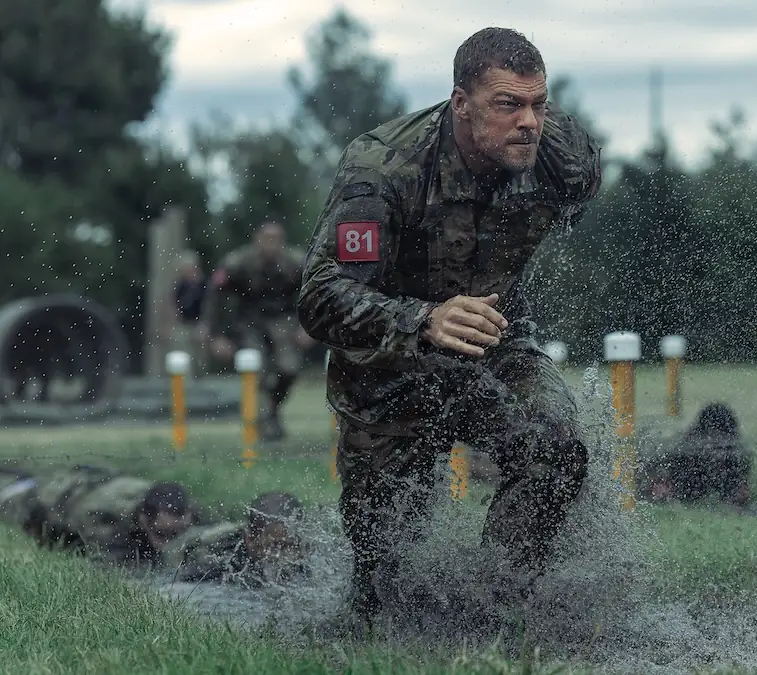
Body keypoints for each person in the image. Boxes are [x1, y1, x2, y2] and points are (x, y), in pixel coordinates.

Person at [296, 27, 602, 621]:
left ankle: (498, 606)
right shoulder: (385, 167)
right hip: (389, 368)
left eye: (539, 103)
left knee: (555, 449)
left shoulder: (560, 156)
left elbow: (578, 190)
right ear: (461, 104)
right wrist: (424, 319)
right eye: (507, 105)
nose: (529, 123)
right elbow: (321, 296)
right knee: (384, 575)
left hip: (492, 346)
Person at [206, 221, 316, 440]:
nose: (271, 245)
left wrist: (309, 328)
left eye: (276, 240)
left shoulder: (296, 263)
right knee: (256, 370)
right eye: (266, 239)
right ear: (256, 239)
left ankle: (272, 409)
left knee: (289, 368)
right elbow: (215, 296)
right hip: (249, 322)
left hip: (283, 321)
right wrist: (216, 335)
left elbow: (315, 295)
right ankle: (265, 422)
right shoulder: (238, 262)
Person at [26, 465, 195, 567]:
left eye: (179, 532)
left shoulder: (178, 510)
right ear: (144, 521)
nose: (170, 542)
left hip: (107, 482)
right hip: (50, 498)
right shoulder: (102, 518)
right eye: (162, 534)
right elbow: (104, 563)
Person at [165, 491, 309, 588]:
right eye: (273, 547)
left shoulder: (308, 551)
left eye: (289, 546)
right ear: (249, 539)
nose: (281, 556)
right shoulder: (215, 554)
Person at [640, 402, 752, 507]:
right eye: (715, 440)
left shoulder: (734, 458)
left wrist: (739, 492)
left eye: (724, 444)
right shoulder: (684, 455)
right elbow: (655, 484)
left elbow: (740, 494)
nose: (720, 450)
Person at [172, 250, 210, 375]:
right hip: (185, 323)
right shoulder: (181, 285)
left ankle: (199, 374)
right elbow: (177, 304)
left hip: (199, 322)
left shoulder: (203, 285)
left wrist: (203, 324)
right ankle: (185, 376)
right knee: (181, 344)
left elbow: (208, 306)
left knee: (199, 352)